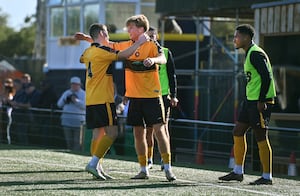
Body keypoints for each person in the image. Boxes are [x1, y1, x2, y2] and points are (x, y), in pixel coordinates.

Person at [75, 15, 176, 182]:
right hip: (134, 98)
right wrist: (88, 38)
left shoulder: (151, 44)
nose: (128, 30)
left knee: (159, 130)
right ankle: (143, 169)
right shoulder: (126, 45)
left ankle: (168, 167)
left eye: (131, 28)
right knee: (138, 133)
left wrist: (153, 60)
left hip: (152, 95)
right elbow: (104, 45)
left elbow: (163, 58)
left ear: (141, 29)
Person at [80, 23, 148, 180]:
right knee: (113, 133)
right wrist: (139, 43)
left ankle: (97, 166)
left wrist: (89, 40)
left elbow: (82, 58)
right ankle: (93, 163)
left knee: (98, 134)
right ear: (103, 33)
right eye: (107, 33)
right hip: (104, 99)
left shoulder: (88, 51)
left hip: (91, 99)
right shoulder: (102, 51)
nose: (109, 35)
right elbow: (123, 55)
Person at [218, 24, 276, 185]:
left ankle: (267, 176)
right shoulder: (249, 53)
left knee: (261, 136)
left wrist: (262, 100)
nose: (234, 39)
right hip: (250, 100)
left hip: (259, 102)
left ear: (246, 38)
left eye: (236, 36)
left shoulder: (256, 53)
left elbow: (267, 77)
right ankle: (238, 172)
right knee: (237, 131)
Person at [145, 26, 178, 170]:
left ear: (157, 36)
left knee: (163, 129)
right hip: (147, 95)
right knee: (148, 130)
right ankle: (149, 159)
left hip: (163, 95)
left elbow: (172, 75)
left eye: (153, 36)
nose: (152, 38)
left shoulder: (165, 52)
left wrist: (174, 95)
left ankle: (166, 161)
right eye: (149, 36)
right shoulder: (142, 53)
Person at [57, 76, 86, 151]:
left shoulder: (84, 94)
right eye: (72, 84)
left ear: (79, 85)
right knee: (69, 141)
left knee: (77, 142)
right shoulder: (67, 93)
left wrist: (76, 101)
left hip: (79, 122)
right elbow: (59, 104)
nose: (74, 86)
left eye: (76, 84)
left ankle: (76, 154)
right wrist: (65, 99)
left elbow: (85, 106)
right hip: (67, 121)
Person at [0, 78, 15, 144]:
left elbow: (10, 103)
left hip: (7, 115)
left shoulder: (10, 96)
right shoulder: (2, 96)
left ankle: (7, 144)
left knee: (6, 131)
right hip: (2, 115)